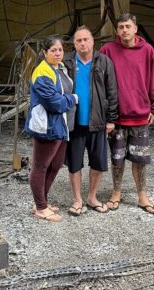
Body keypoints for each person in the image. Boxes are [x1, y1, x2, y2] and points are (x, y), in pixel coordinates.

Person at [100, 13, 154, 214]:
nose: (124, 30)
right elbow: (98, 81)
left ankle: (142, 196)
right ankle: (116, 193)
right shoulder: (107, 50)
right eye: (121, 27)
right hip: (116, 116)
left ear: (135, 28)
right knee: (117, 158)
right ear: (117, 30)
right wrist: (103, 111)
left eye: (128, 26)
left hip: (139, 115)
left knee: (139, 159)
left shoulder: (147, 51)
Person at [63, 26, 118, 216]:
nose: (83, 43)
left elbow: (112, 92)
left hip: (98, 121)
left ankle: (92, 197)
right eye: (79, 40)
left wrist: (111, 119)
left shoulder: (104, 61)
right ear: (74, 43)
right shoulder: (67, 62)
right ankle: (77, 199)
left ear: (93, 41)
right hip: (74, 123)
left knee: (97, 162)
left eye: (86, 39)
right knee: (74, 163)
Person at [25, 36, 78, 222]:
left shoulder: (60, 68)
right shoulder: (42, 73)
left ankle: (42, 202)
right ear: (45, 52)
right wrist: (73, 99)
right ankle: (40, 208)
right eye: (53, 50)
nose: (57, 53)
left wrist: (67, 99)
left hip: (61, 125)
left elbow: (62, 95)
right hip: (47, 126)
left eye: (60, 50)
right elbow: (55, 103)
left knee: (55, 165)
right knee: (40, 166)